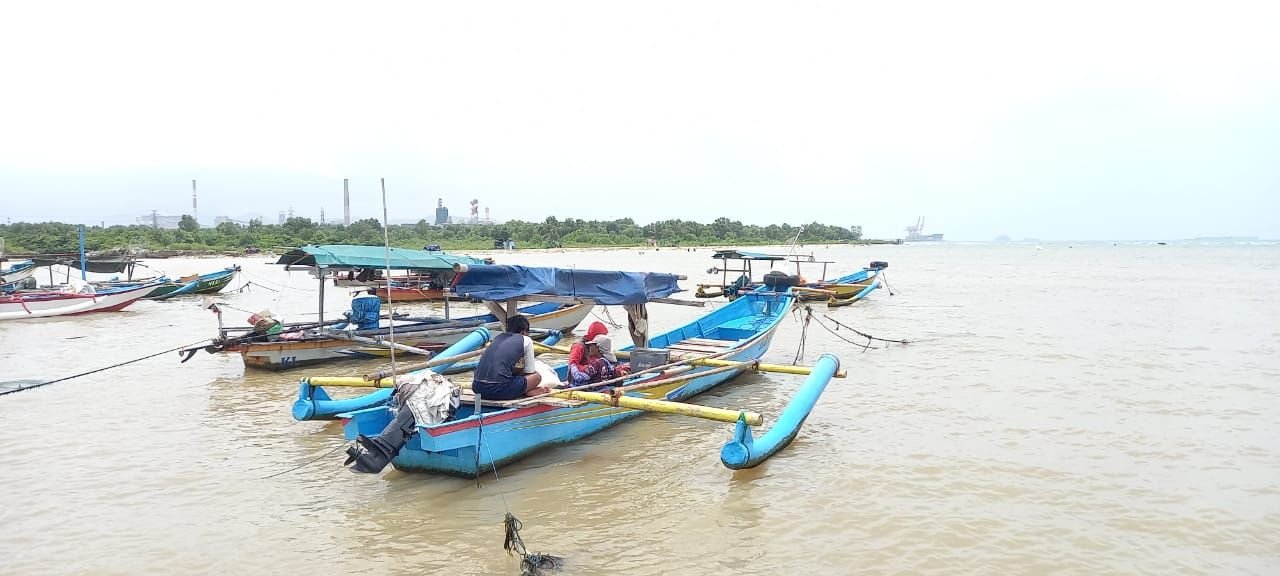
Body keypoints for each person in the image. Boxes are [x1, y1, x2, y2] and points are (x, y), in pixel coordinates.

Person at [471, 314, 548, 400]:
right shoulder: (526, 339)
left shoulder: (498, 338)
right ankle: (528, 391)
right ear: (523, 331)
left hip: (477, 388)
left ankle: (524, 389)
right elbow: (529, 371)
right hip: (499, 390)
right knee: (536, 377)